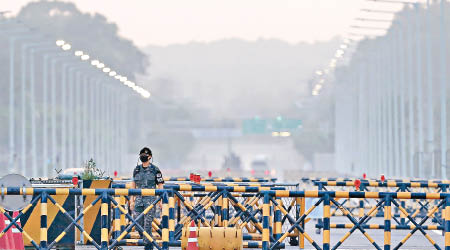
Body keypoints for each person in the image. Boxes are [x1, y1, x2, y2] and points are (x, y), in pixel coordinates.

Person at [130, 147, 164, 250]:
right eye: (141, 155)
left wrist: (161, 200)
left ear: (150, 157)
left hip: (151, 201)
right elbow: (133, 185)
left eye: (145, 155)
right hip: (139, 201)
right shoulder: (136, 170)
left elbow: (160, 185)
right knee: (137, 223)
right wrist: (131, 200)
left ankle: (148, 247)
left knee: (147, 225)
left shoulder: (155, 169)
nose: (143, 157)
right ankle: (149, 243)